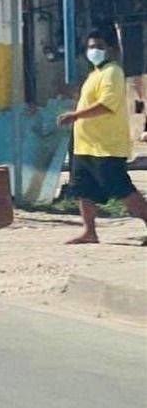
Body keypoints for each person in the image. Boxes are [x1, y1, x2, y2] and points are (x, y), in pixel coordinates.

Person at [56, 26, 147, 244]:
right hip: (85, 144)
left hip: (106, 145)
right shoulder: (95, 74)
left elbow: (106, 105)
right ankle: (90, 231)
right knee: (83, 188)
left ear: (111, 49)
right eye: (90, 47)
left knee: (120, 187)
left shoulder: (113, 72)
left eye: (99, 47)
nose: (94, 51)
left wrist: (75, 115)